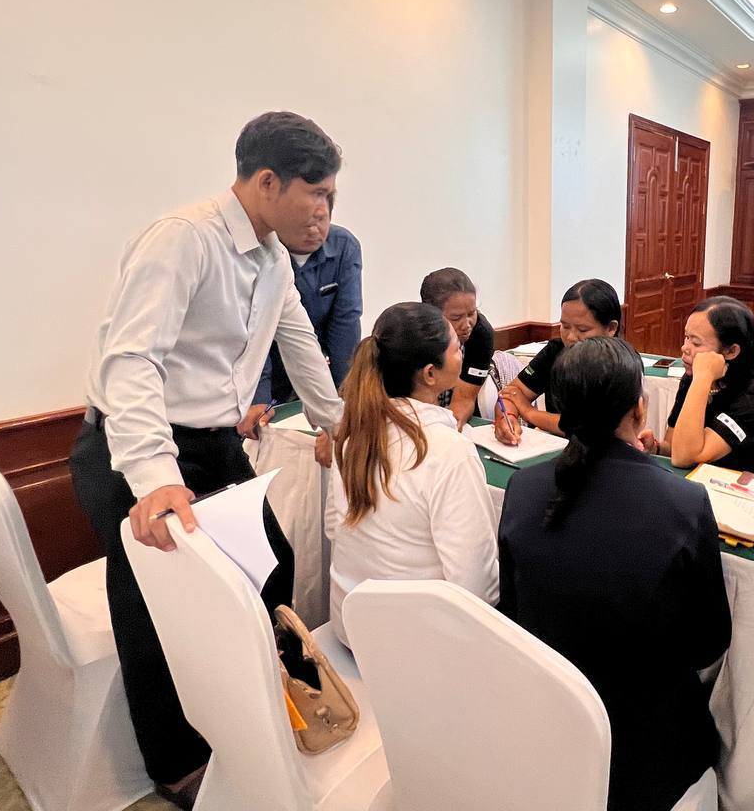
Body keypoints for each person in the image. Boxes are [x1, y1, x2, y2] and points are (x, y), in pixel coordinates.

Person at [69, 111, 346, 808]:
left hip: (210, 442)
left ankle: (270, 700)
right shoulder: (183, 239)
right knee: (154, 603)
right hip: (131, 447)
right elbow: (132, 362)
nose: (325, 212)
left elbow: (299, 344)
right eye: (317, 194)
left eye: (331, 196)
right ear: (267, 182)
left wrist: (340, 424)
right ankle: (174, 763)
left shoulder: (274, 260)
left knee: (273, 561)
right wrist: (155, 479)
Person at [497, 337, 731, 811]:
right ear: (639, 410)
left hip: (547, 723)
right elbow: (708, 643)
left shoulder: (522, 487)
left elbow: (513, 612)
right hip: (648, 749)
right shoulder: (683, 502)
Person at [325, 301, 499, 648]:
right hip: (414, 644)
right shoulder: (449, 451)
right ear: (431, 374)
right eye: (456, 348)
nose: (463, 352)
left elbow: (333, 527)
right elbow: (476, 585)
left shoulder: (352, 435)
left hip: (350, 628)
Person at [240, 210, 362, 435]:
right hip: (258, 365)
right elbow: (254, 329)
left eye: (321, 219)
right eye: (306, 221)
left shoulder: (344, 246)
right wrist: (258, 398)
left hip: (312, 364)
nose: (314, 229)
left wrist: (343, 397)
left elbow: (345, 325)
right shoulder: (259, 253)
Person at [640, 296, 754, 479]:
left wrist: (702, 378)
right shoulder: (693, 378)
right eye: (686, 337)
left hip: (745, 491)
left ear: (731, 351)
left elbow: (684, 457)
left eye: (696, 343)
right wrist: (656, 448)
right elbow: (676, 448)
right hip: (701, 483)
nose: (684, 348)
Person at [493, 278, 621, 443]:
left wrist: (529, 412)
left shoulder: (622, 363)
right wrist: (507, 417)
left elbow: (589, 426)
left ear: (611, 328)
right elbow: (511, 393)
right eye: (565, 326)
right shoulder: (555, 351)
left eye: (582, 329)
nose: (571, 337)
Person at [418, 267, 496, 429]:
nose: (467, 325)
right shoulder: (413, 335)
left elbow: (464, 400)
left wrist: (452, 431)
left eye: (472, 313)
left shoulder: (481, 334)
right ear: (431, 315)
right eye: (456, 317)